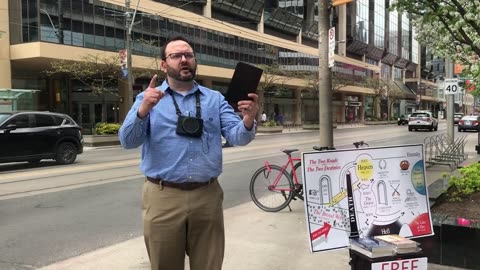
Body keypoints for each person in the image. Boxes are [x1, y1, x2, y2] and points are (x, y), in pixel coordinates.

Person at [118, 36, 258, 270]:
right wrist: (143, 111)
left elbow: (237, 137)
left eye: (189, 55)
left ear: (194, 61)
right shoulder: (148, 98)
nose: (184, 60)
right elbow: (127, 141)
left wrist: (249, 119)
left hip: (207, 196)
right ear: (164, 65)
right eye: (176, 56)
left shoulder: (215, 99)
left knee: (209, 265)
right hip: (162, 196)